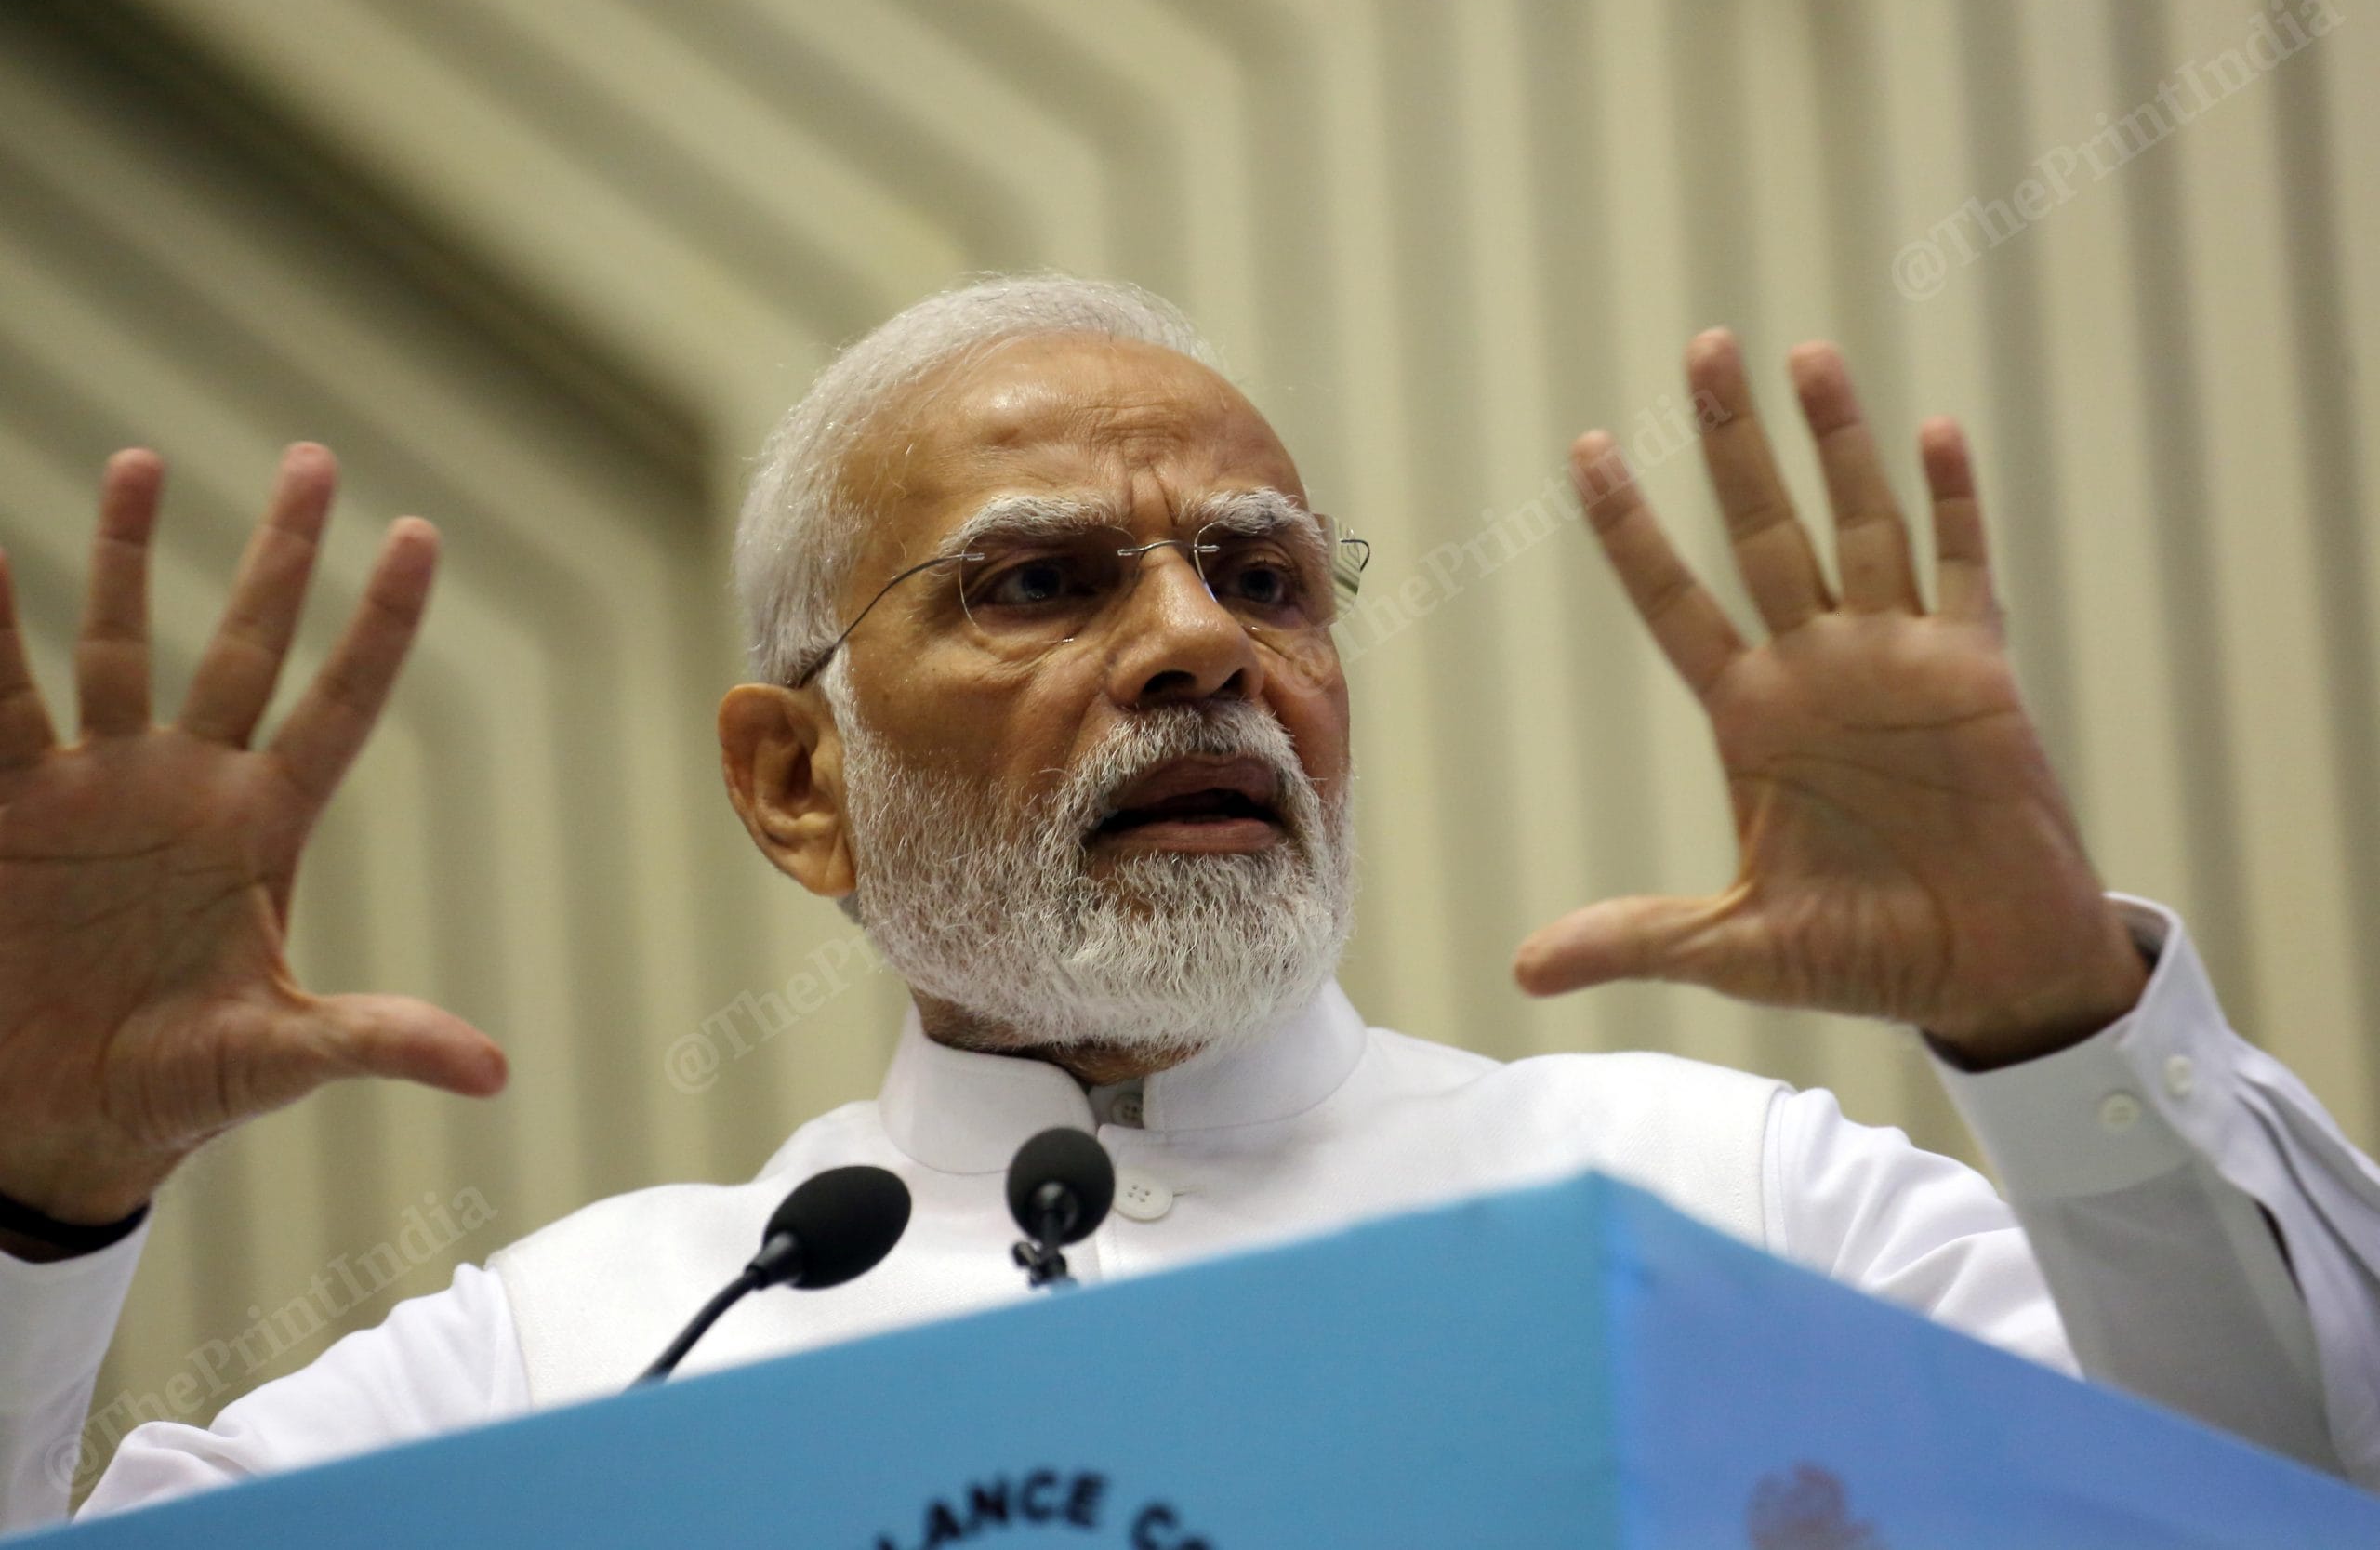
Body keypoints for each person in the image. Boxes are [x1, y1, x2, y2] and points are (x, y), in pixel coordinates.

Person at [3, 274, 2376, 1530]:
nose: (1193, 641)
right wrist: (35, 1195)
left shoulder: (1715, 1195)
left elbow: (2296, 1509)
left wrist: (2060, 1023)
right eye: (1040, 579)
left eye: (1258, 571)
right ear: (795, 783)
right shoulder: (583, 1355)